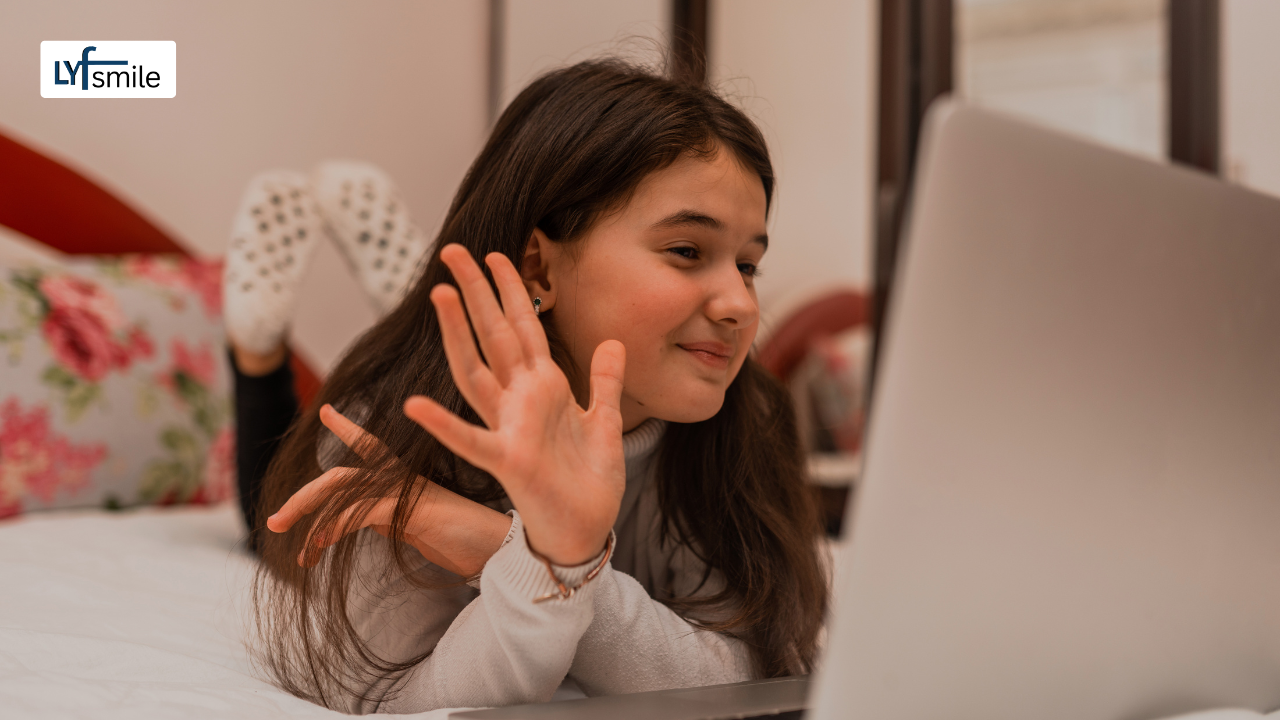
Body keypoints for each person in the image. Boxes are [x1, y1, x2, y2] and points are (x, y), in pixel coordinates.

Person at [223, 58, 828, 714]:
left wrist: (520, 552)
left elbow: (746, 678)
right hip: (374, 435)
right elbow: (385, 694)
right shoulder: (397, 431)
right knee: (268, 517)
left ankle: (414, 280)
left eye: (749, 265)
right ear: (538, 265)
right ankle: (257, 352)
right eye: (687, 251)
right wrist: (548, 561)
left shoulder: (748, 422)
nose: (740, 302)